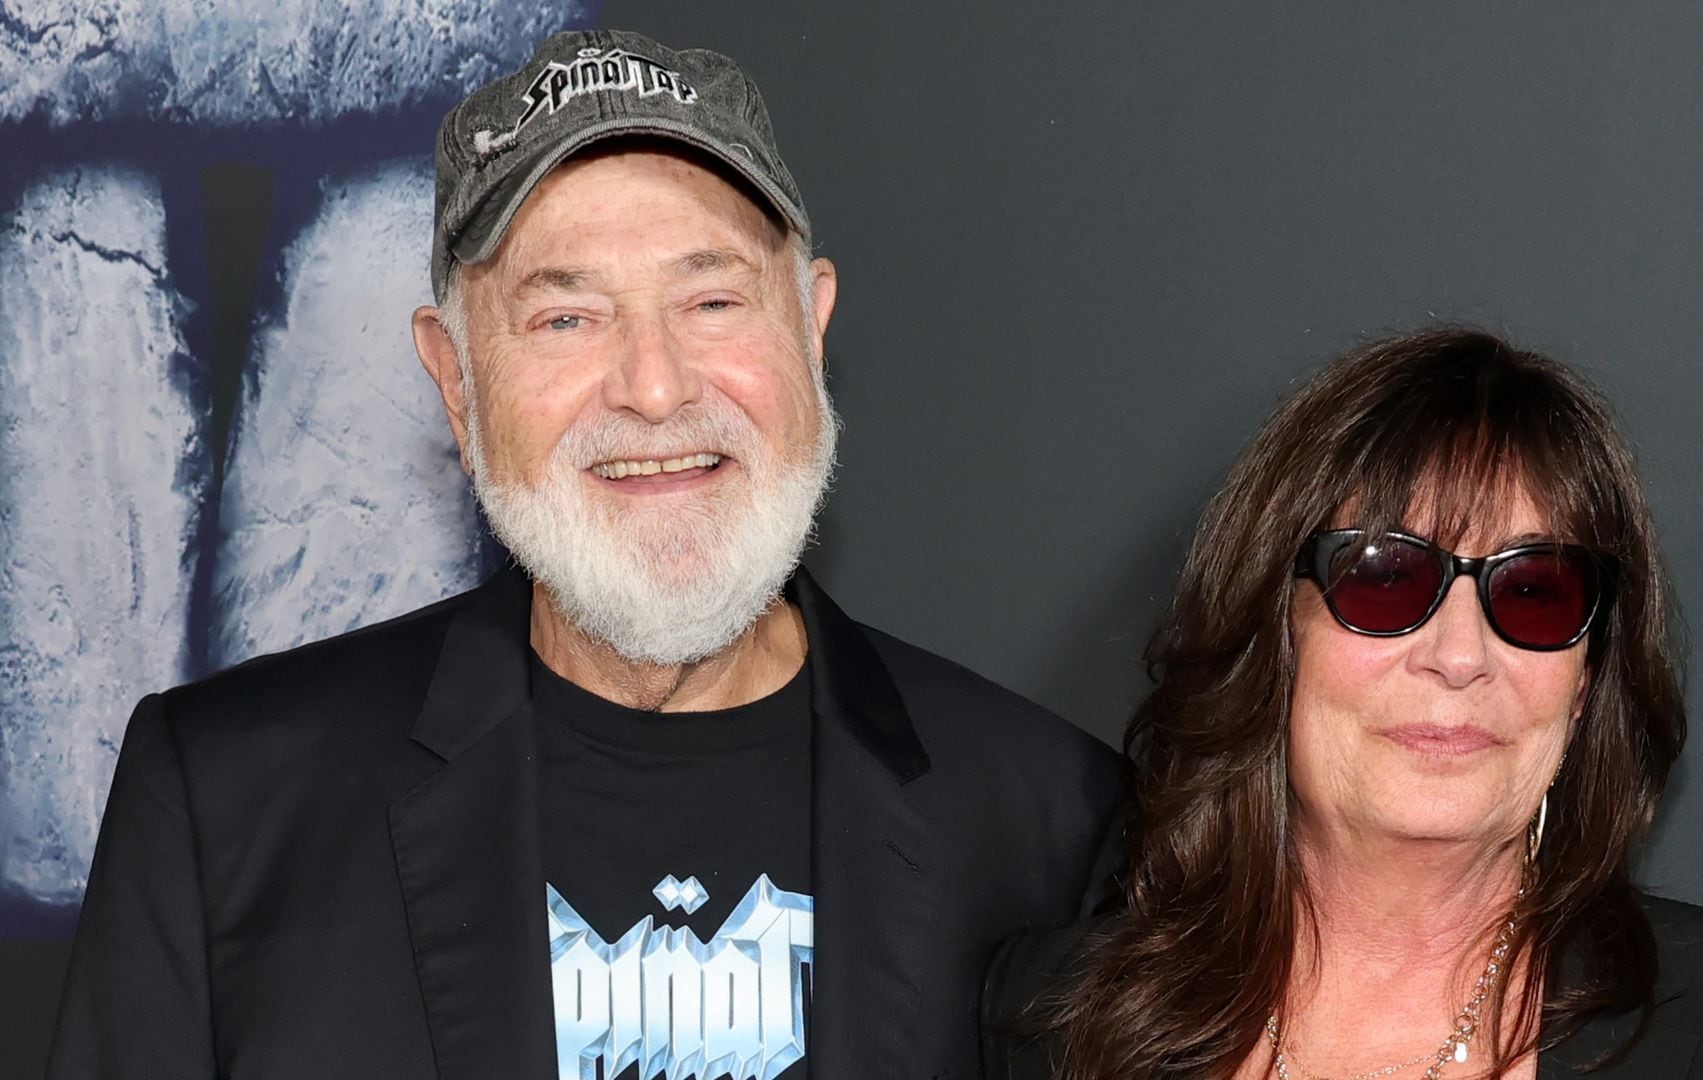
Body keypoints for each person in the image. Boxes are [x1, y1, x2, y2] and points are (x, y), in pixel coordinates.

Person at [49, 30, 1123, 1080]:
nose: (653, 387)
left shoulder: (1054, 826)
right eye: (566, 318)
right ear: (457, 384)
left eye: (711, 301)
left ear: (811, 330)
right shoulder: (225, 808)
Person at [981, 327, 1703, 1079]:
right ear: (1272, 637)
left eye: (1535, 593)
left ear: (1586, 682)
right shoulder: (1051, 1020)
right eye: (1386, 579)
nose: (1460, 656)